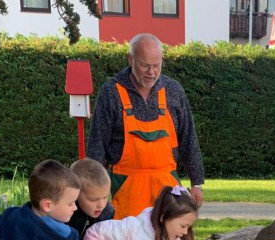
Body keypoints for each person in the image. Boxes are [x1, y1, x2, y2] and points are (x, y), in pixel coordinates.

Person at [86, 32, 205, 221]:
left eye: (157, 66)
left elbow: (189, 139)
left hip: (168, 189)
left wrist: (197, 182)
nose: (152, 72)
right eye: (145, 66)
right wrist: (92, 190)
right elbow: (97, 145)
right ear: (130, 59)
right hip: (126, 188)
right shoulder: (111, 92)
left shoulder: (174, 90)